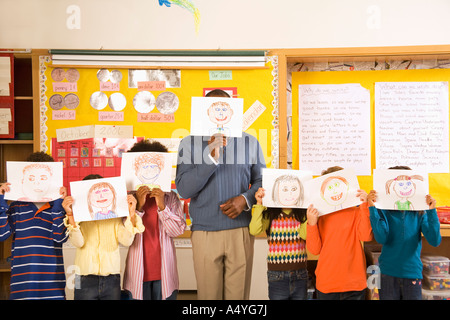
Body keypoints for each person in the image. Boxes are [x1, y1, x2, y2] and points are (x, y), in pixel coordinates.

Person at [175, 89, 266, 300]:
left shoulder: (250, 142)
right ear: (204, 112)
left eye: (225, 108)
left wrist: (245, 199)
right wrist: (211, 157)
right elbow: (184, 189)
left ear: (233, 111)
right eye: (214, 108)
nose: (220, 113)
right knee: (208, 298)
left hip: (241, 230)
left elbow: (262, 182)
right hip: (204, 232)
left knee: (238, 298)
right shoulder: (188, 143)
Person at [62, 174, 144, 300]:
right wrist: (71, 215)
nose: (100, 196)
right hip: (81, 276)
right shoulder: (79, 217)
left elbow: (127, 241)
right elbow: (78, 243)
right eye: (95, 192)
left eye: (105, 191)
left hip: (112, 276)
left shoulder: (115, 216)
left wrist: (131, 214)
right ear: (87, 197)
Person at [0, 151, 68, 300]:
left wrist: (58, 204)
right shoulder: (16, 207)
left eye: (43, 178)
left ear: (52, 180)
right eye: (31, 178)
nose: (37, 183)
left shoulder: (60, 207)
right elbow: (2, 235)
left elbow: (60, 238)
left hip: (53, 283)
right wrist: (1, 200)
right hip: (23, 284)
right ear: (23, 180)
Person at [123, 140, 186, 300]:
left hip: (165, 275)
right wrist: (138, 207)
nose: (149, 171)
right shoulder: (128, 198)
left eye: (154, 166)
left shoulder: (170, 197)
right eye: (144, 166)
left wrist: (162, 207)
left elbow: (177, 231)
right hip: (137, 275)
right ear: (135, 170)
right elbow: (124, 237)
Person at [368, 166, 442, 300]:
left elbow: (435, 240)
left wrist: (431, 211)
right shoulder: (384, 210)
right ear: (392, 188)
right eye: (400, 184)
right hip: (388, 274)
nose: (404, 188)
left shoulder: (420, 212)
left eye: (408, 184)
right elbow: (381, 238)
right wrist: (373, 209)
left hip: (412, 273)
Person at [306, 166, 374, 300]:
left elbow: (366, 236)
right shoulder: (319, 215)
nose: (335, 191)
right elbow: (314, 250)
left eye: (338, 186)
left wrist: (365, 206)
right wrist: (312, 224)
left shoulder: (356, 212)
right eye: (330, 187)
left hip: (354, 284)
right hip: (327, 284)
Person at [249, 187, 308, 300]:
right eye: (284, 190)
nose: (289, 194)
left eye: (293, 189)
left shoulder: (302, 213)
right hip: (276, 274)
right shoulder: (270, 214)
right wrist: (259, 204)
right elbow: (254, 230)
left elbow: (305, 235)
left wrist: (309, 213)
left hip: (300, 274)